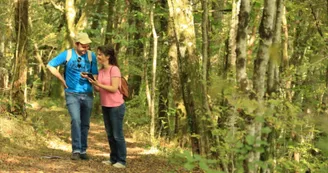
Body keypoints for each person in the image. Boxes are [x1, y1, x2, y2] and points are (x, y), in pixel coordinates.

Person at [47, 32, 98, 160]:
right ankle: (76, 149)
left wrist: (90, 78)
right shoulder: (68, 54)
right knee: (76, 120)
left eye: (87, 46)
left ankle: (83, 150)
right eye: (83, 46)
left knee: (85, 123)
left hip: (87, 93)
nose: (86, 49)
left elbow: (95, 75)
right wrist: (62, 80)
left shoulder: (92, 56)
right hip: (72, 93)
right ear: (76, 44)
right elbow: (50, 65)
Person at [84, 45, 127, 168]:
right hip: (105, 105)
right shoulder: (101, 71)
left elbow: (114, 88)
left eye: (100, 54)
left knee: (117, 134)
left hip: (116, 106)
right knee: (109, 134)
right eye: (97, 54)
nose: (98, 56)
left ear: (107, 56)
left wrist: (98, 83)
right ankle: (113, 159)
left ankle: (121, 161)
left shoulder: (114, 70)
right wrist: (91, 81)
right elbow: (98, 89)